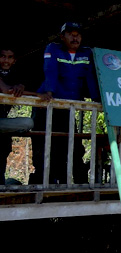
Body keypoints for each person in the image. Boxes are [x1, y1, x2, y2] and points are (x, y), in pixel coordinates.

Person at [30, 22, 100, 185]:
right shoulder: (53, 48)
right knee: (44, 147)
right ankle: (42, 184)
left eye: (78, 34)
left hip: (67, 109)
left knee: (72, 147)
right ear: (62, 36)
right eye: (71, 34)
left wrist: (96, 98)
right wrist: (49, 90)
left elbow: (90, 77)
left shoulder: (86, 53)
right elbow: (51, 69)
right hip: (46, 106)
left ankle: (72, 183)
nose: (75, 37)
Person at [0, 47, 35, 182]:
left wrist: (22, 86)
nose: (6, 60)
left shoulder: (15, 75)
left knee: (28, 123)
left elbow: (19, 88)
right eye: (3, 56)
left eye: (10, 57)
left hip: (3, 124)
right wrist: (37, 95)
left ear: (14, 60)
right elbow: (6, 90)